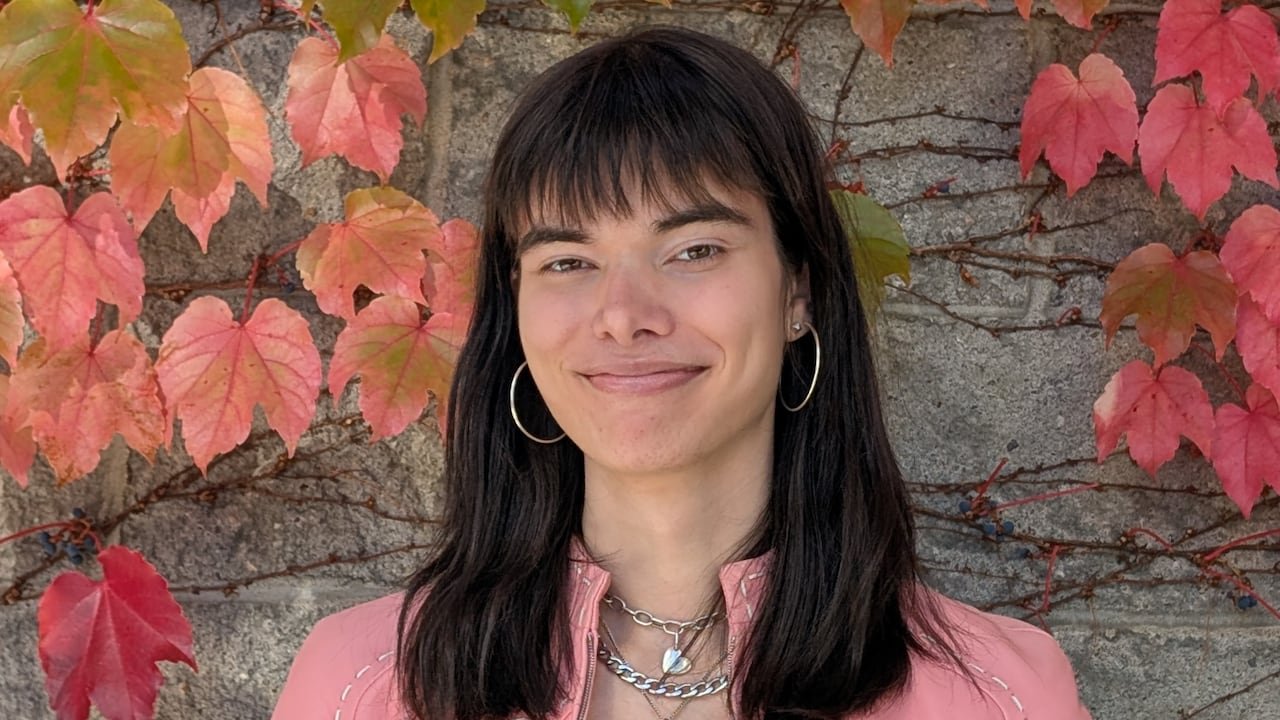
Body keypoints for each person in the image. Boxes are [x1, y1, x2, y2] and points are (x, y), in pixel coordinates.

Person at [270, 25, 1092, 720]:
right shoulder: (360, 683)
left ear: (798, 290)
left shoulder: (1004, 694)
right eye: (567, 260)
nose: (625, 314)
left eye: (694, 249)